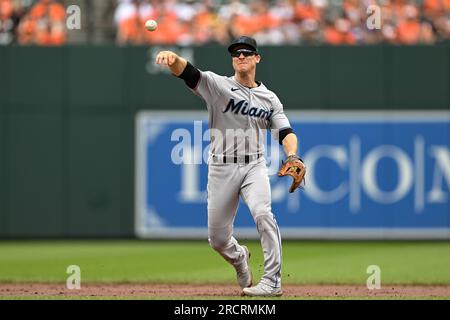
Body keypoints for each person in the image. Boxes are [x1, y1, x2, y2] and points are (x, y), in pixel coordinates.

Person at [155, 36, 303, 297]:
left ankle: (272, 281)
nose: (241, 56)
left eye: (247, 52)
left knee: (263, 213)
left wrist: (292, 156)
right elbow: (188, 72)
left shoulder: (269, 98)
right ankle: (239, 257)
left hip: (254, 166)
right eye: (236, 53)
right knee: (218, 240)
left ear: (257, 58)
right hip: (221, 168)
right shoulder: (217, 85)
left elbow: (286, 132)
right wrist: (173, 58)